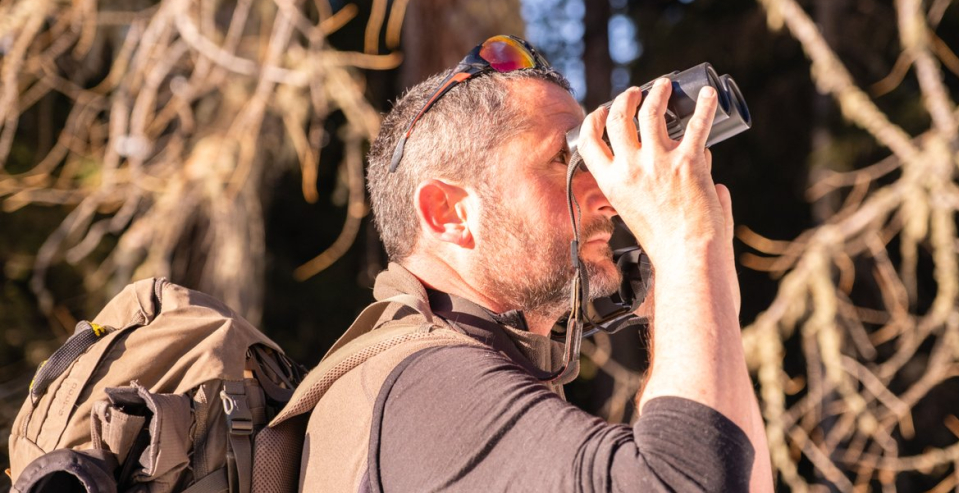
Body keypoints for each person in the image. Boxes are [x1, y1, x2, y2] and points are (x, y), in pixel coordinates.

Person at [299, 35, 774, 492]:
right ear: (449, 214)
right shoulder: (424, 389)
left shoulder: (473, 369)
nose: (610, 197)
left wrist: (699, 293)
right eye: (565, 162)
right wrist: (685, 242)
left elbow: (736, 479)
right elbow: (689, 483)